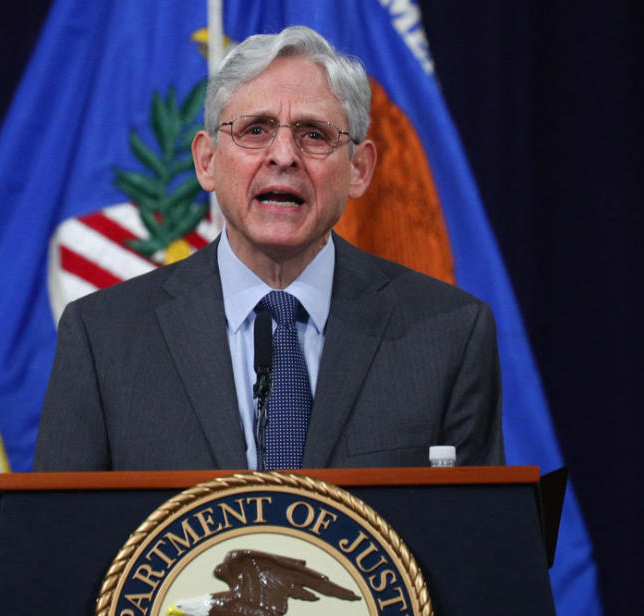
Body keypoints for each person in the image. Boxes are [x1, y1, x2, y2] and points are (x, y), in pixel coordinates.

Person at [33, 25, 503, 471]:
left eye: (313, 134)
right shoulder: (103, 338)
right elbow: (59, 546)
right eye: (255, 130)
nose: (283, 155)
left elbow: (478, 544)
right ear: (207, 161)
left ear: (359, 169)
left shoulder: (448, 335)